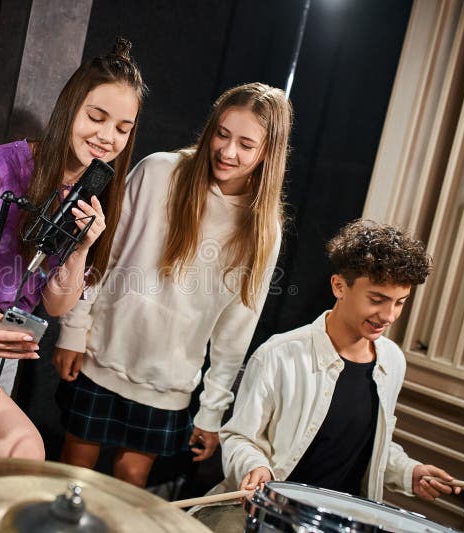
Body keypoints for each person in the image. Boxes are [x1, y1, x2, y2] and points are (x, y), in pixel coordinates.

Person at [0, 38, 147, 459]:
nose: (107, 137)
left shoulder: (94, 195)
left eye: (123, 129)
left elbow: (55, 307)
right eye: (96, 117)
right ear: (70, 107)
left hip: (6, 345)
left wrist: (80, 249)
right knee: (23, 449)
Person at [53, 82, 293, 487]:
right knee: (71, 475)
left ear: (268, 152)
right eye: (222, 134)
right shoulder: (158, 171)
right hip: (101, 353)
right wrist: (74, 329)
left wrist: (212, 412)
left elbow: (236, 329)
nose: (228, 151)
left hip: (168, 381)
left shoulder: (264, 229)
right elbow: (101, 255)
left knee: (129, 485)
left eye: (246, 145)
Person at [202, 220, 458, 530]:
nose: (388, 316)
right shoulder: (279, 355)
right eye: (377, 300)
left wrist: (408, 472)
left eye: (399, 303)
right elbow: (239, 436)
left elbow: (366, 444)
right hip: (278, 516)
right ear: (339, 286)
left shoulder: (393, 361)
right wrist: (256, 466)